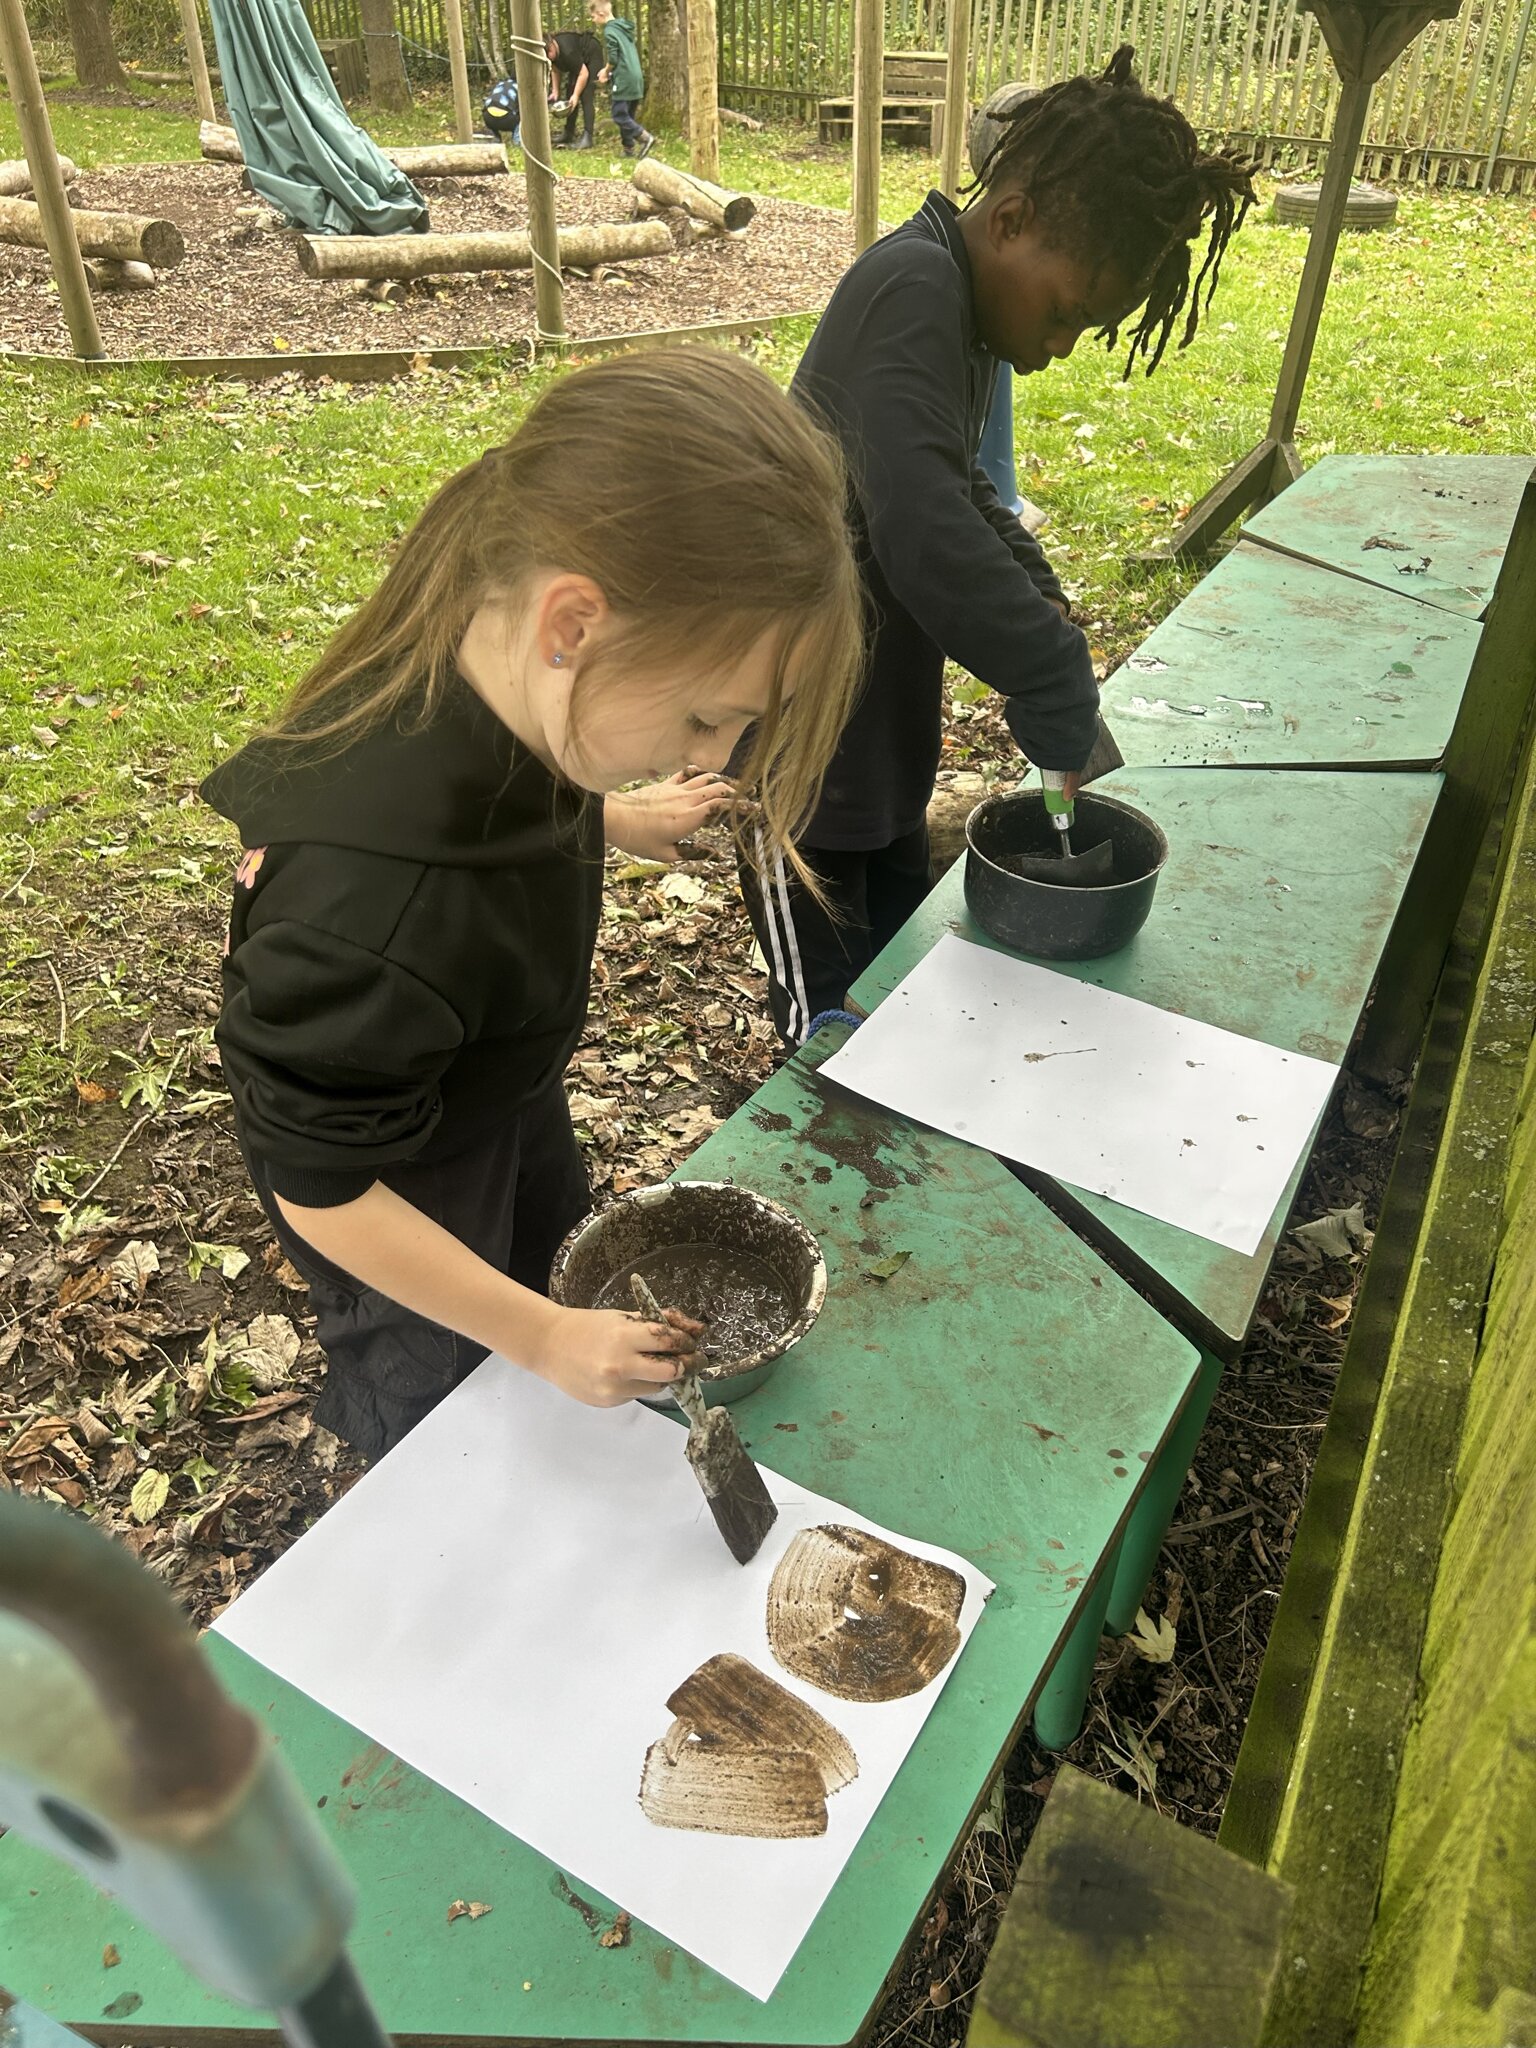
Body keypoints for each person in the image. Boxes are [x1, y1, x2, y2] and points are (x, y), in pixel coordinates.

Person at [203, 349, 863, 1462]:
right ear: (573, 625)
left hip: (491, 1080)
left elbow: (496, 807)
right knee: (441, 1389)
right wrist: (542, 1332)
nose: (716, 753)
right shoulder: (370, 922)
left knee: (544, 1252)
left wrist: (612, 818)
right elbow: (318, 1184)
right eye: (709, 716)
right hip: (396, 1186)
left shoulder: (511, 670)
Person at [741, 46, 1256, 1046]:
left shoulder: (960, 318)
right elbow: (922, 522)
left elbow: (963, 487)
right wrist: (1050, 667)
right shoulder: (910, 285)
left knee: (893, 975)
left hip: (875, 744)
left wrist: (1044, 600)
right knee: (827, 1025)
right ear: (1011, 220)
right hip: (799, 764)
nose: (1061, 345)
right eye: (1066, 312)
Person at [587, 0, 655, 158]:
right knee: (628, 114)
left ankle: (645, 138)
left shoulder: (609, 31)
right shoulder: (622, 28)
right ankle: (628, 149)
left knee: (618, 114)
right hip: (636, 77)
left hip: (624, 78)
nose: (593, 20)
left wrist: (605, 71)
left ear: (601, 14)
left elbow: (613, 57)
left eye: (593, 17)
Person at [547, 28, 603, 151]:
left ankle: (588, 137)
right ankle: (568, 133)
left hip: (592, 54)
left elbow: (584, 74)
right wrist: (555, 91)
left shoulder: (568, 51)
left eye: (549, 51)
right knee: (570, 93)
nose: (549, 56)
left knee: (586, 95)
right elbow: (555, 69)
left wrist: (576, 95)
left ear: (552, 44)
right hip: (579, 61)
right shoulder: (552, 54)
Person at [481, 74, 521, 147]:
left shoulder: (500, 84)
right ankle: (517, 142)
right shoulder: (520, 88)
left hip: (488, 117)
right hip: (506, 120)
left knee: (492, 112)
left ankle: (495, 139)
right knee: (524, 118)